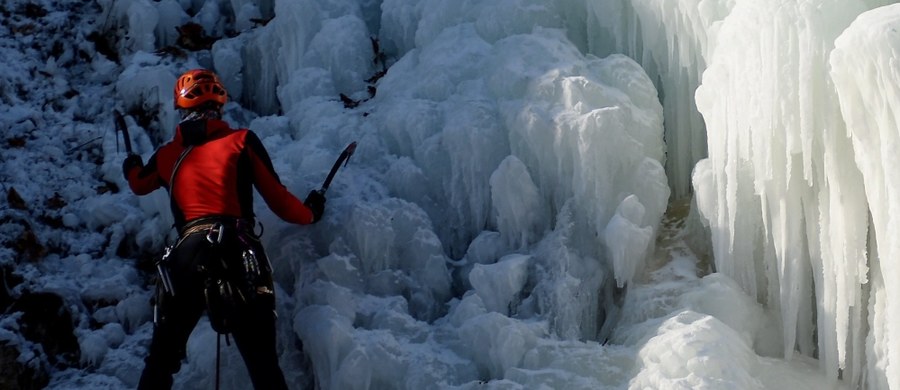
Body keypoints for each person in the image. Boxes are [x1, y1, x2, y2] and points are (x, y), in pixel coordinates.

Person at [122, 68, 325, 390]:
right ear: (219, 105)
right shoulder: (240, 141)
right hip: (236, 250)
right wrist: (311, 213)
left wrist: (131, 165)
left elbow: (138, 185)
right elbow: (280, 202)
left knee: (161, 362)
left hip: (185, 257)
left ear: (181, 108)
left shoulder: (165, 155)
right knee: (262, 364)